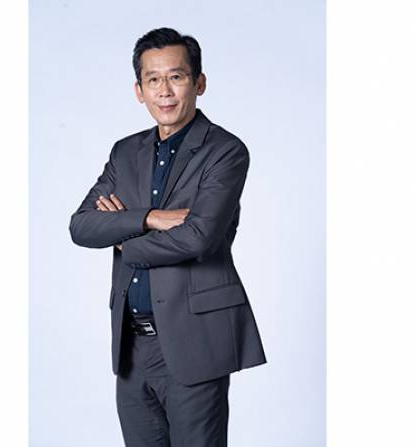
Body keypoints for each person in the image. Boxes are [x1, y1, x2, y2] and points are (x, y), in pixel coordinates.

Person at [69, 27, 266, 447]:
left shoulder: (225, 151)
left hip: (195, 342)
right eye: (153, 79)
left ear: (199, 82)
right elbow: (82, 226)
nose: (165, 90)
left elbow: (199, 238)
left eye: (176, 77)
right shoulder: (125, 152)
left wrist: (123, 235)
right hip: (131, 347)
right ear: (139, 91)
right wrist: (151, 218)